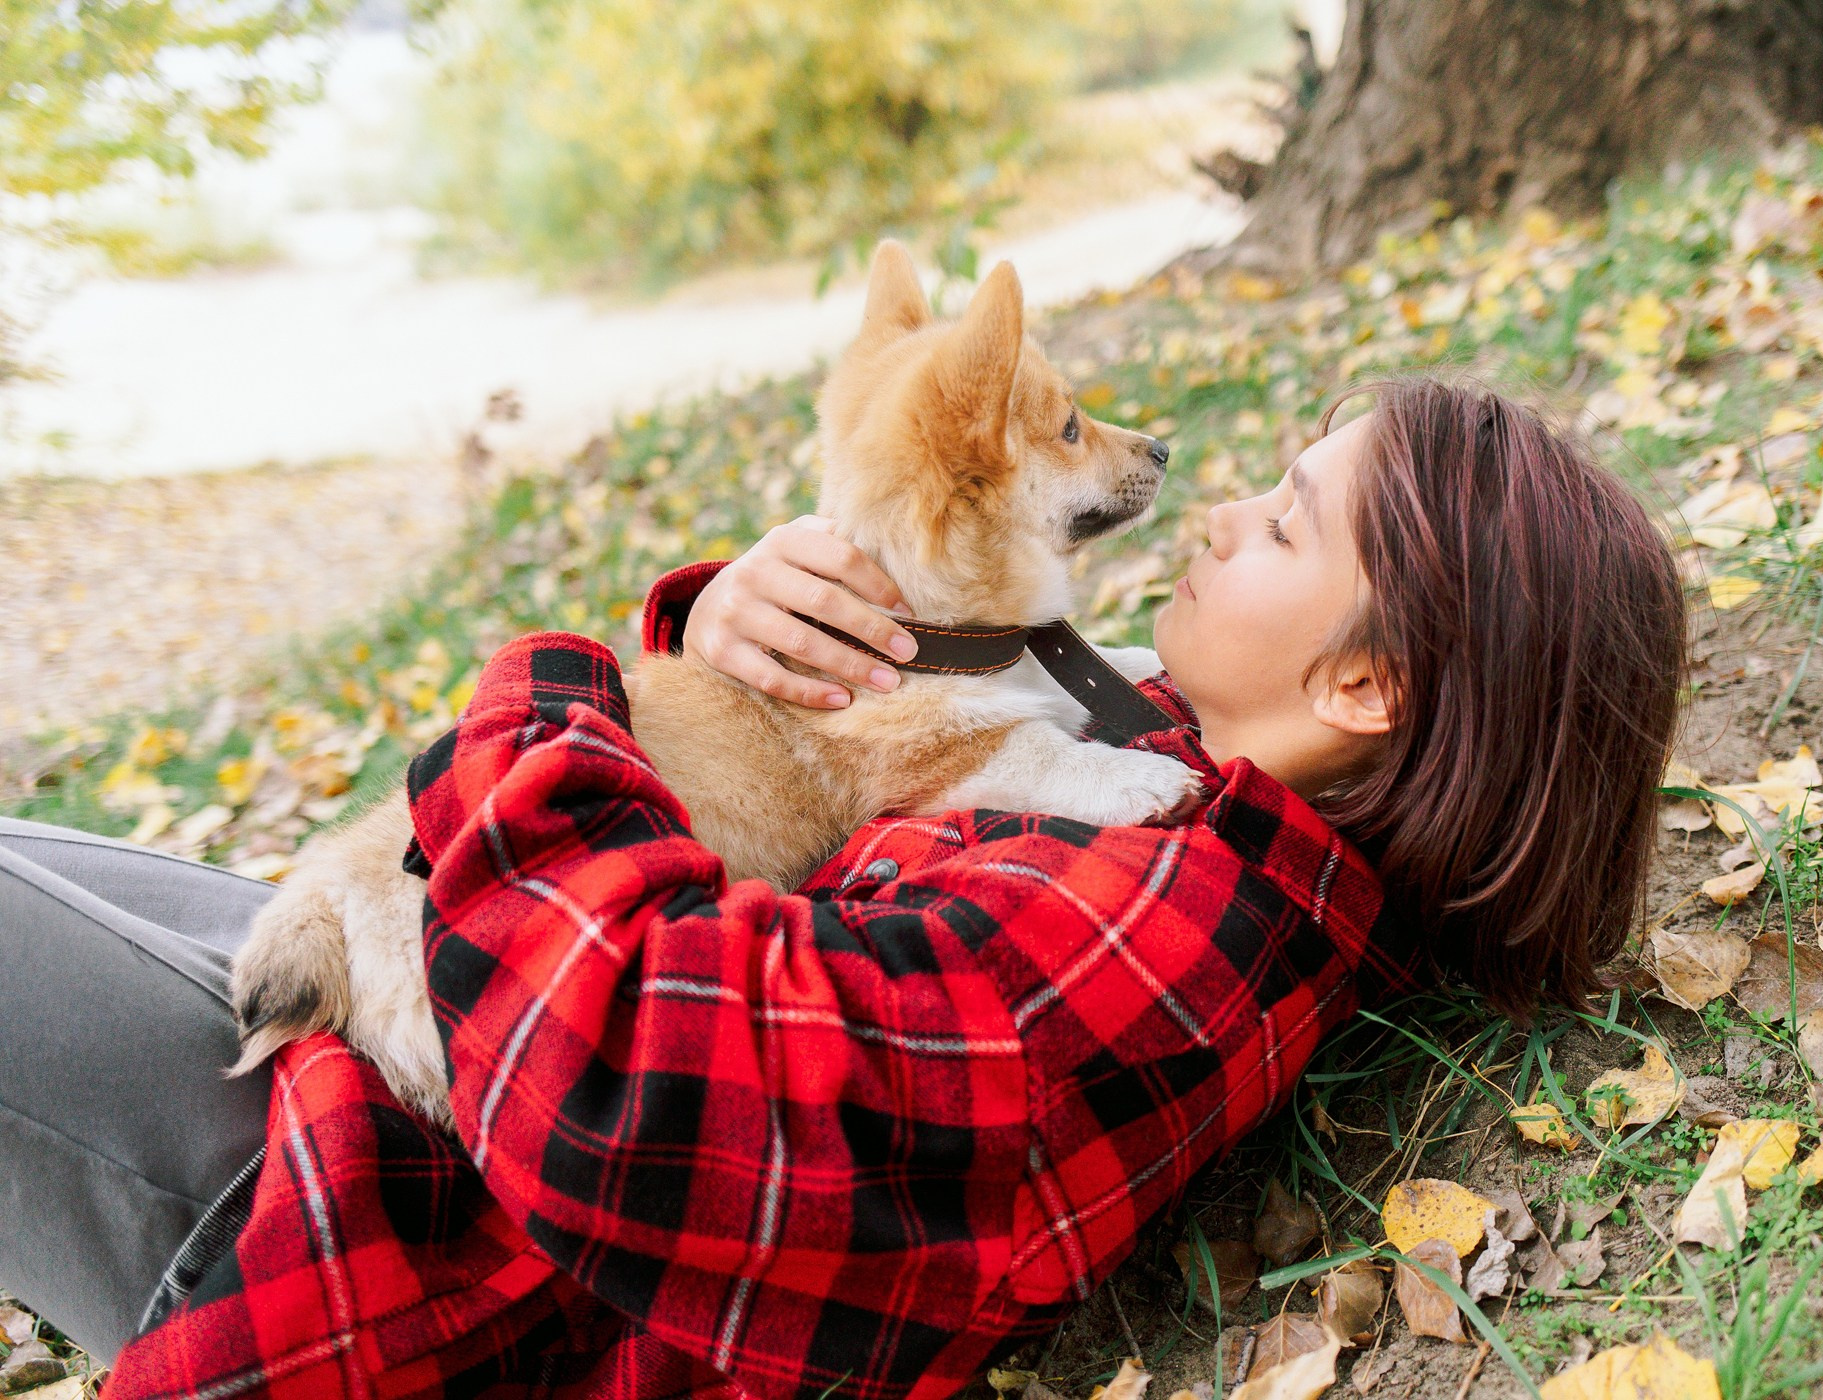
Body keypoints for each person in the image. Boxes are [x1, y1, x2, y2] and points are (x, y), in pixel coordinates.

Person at [0, 376, 1685, 1398]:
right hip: (402, 1013)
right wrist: (731, 630)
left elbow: (635, 1085)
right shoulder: (1165, 753)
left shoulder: (1174, 922)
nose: (1224, 508)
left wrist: (555, 694)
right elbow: (844, 779)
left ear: (1365, 687)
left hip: (369, 1231)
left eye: (1287, 526)